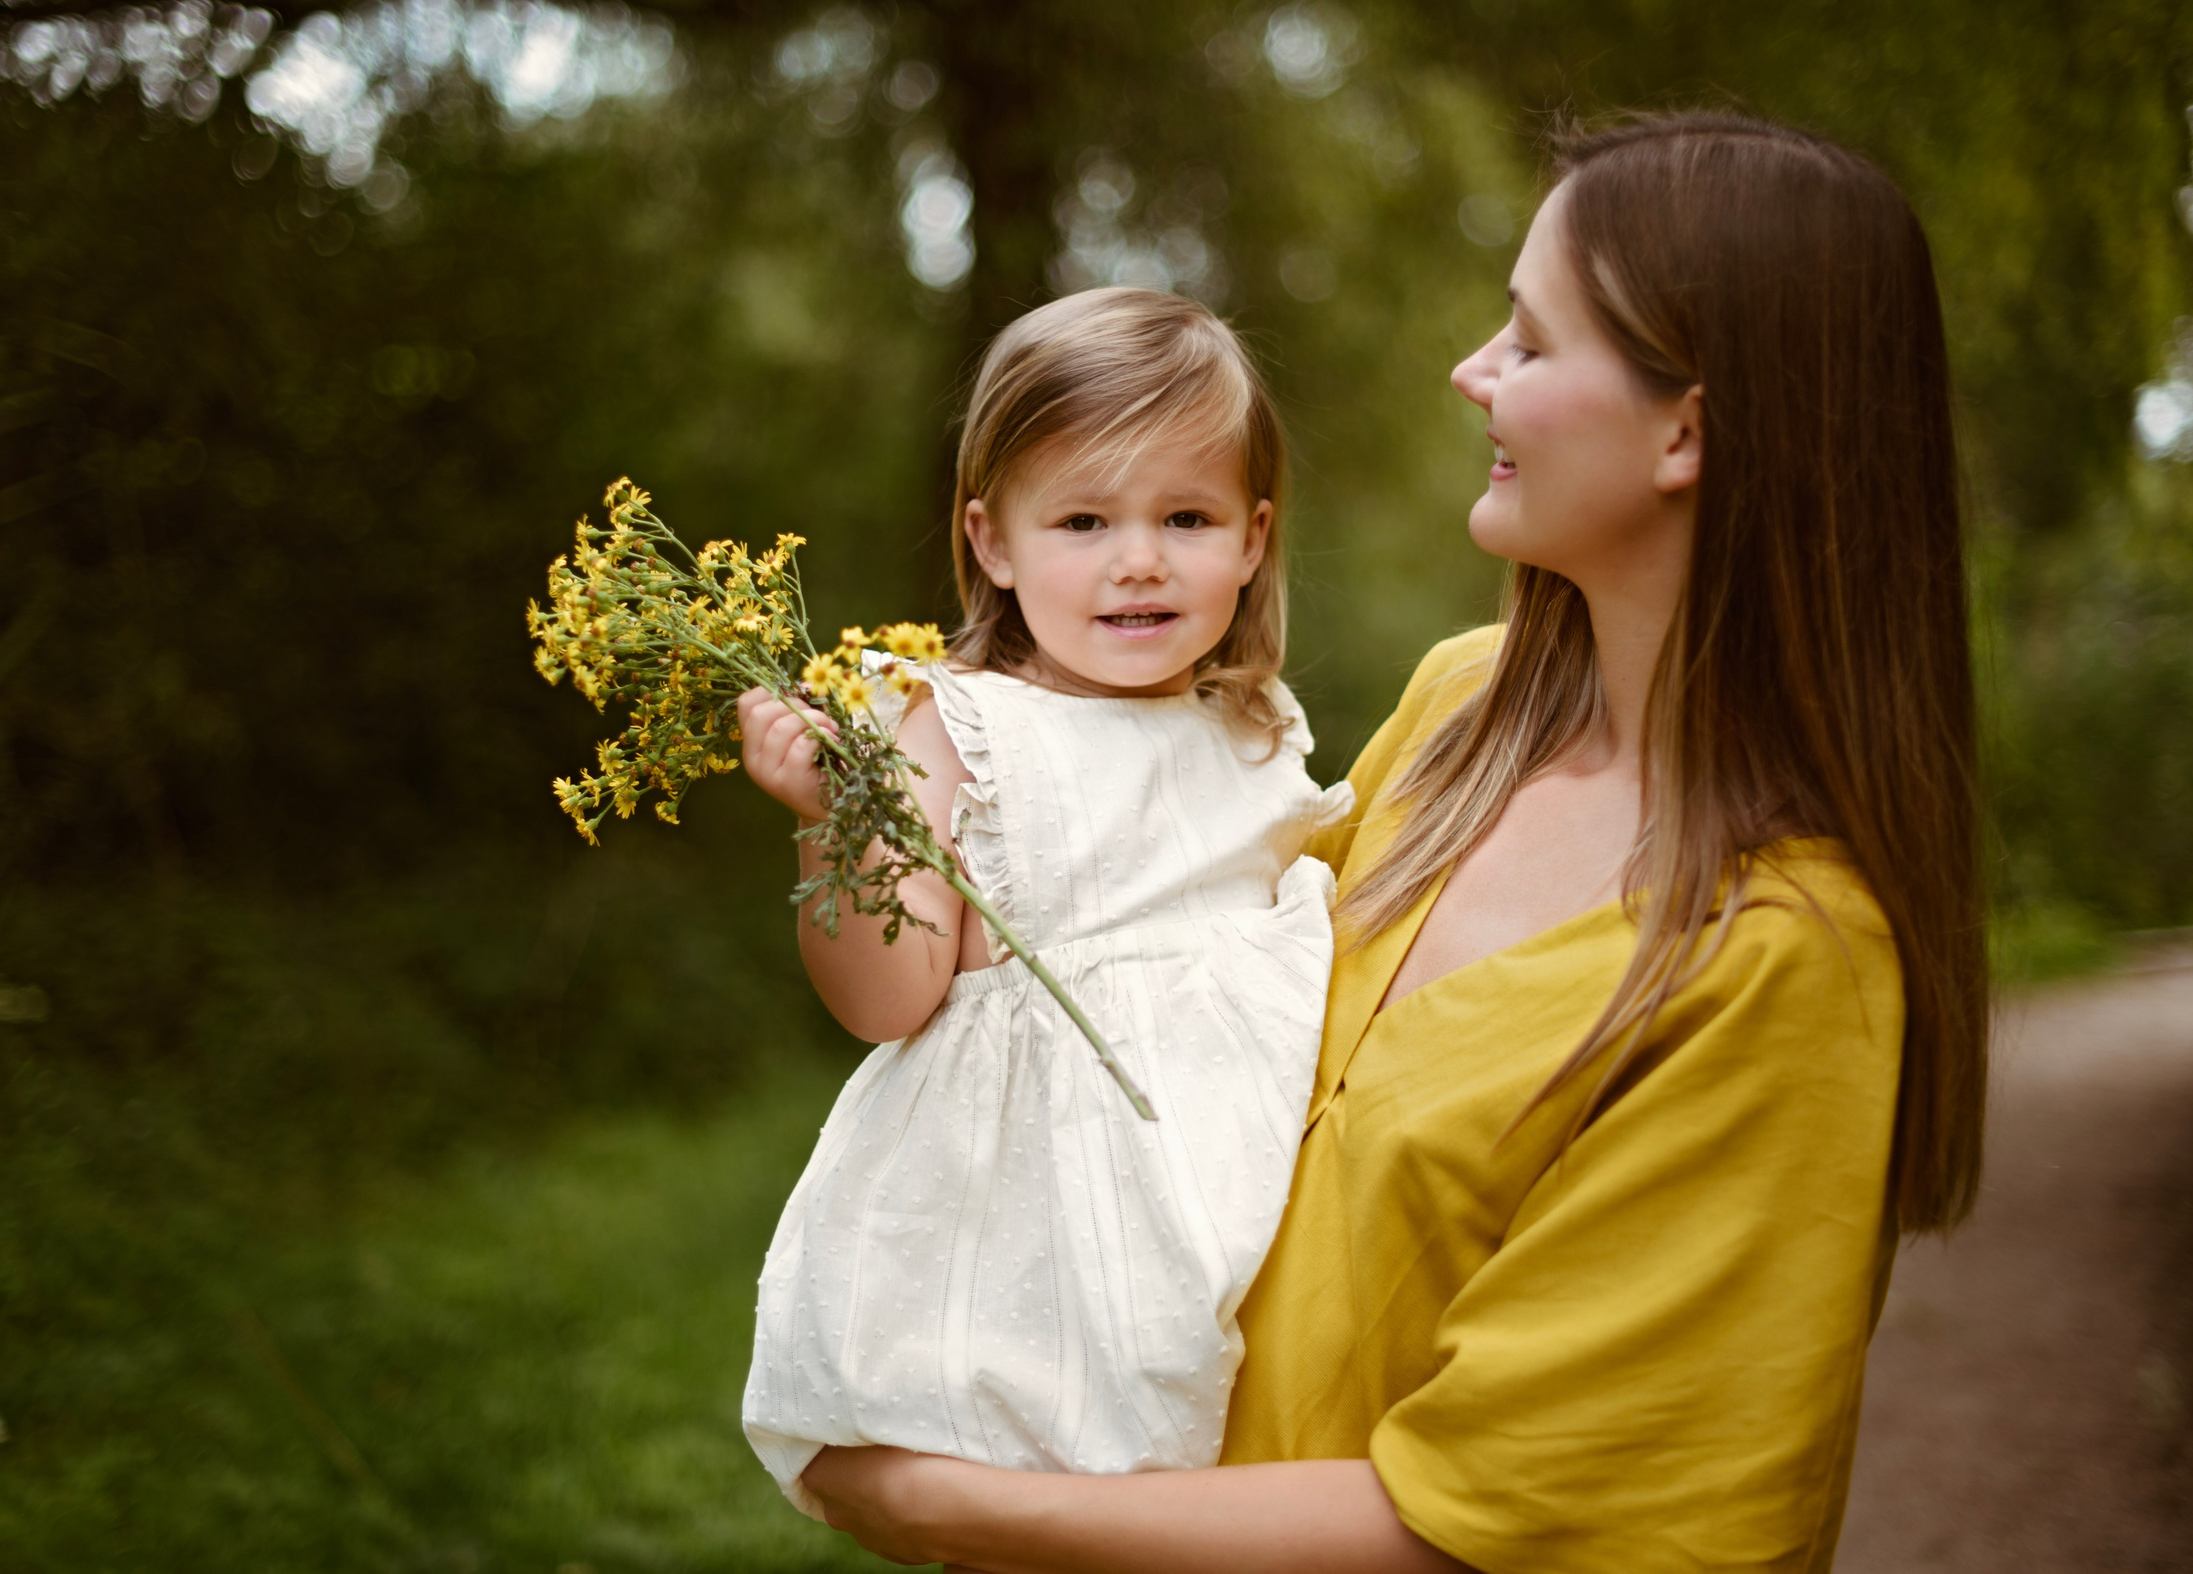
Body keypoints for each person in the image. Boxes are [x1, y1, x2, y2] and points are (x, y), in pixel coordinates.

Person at [797, 112, 1989, 1572]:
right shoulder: (1456, 711)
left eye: (1533, 343)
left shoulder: (1785, 962)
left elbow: (1493, 1522)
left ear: (1686, 428)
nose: (1470, 371)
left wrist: (947, 1499)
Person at [734, 287, 1354, 1517]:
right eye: (1082, 518)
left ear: (1251, 536)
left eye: (1187, 515)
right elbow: (886, 996)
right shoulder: (954, 724)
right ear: (994, 542)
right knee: (1036, 1502)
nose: (1138, 558)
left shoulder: (1251, 726)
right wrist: (834, 821)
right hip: (1042, 1227)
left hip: (1242, 1189)